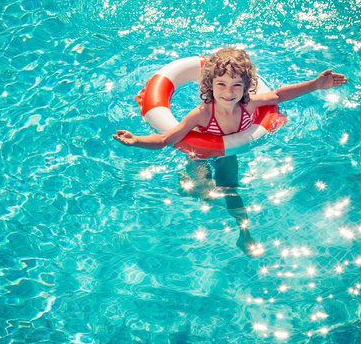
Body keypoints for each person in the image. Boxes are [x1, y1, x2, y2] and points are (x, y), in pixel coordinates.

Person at [113, 48, 347, 257]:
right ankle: (190, 184)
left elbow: (278, 96)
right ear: (210, 86)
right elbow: (166, 138)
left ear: (246, 87)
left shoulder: (248, 104)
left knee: (232, 191)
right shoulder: (202, 113)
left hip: (228, 154)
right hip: (200, 155)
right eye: (221, 84)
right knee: (205, 194)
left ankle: (243, 232)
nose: (229, 91)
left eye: (237, 85)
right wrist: (137, 141)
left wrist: (315, 85)